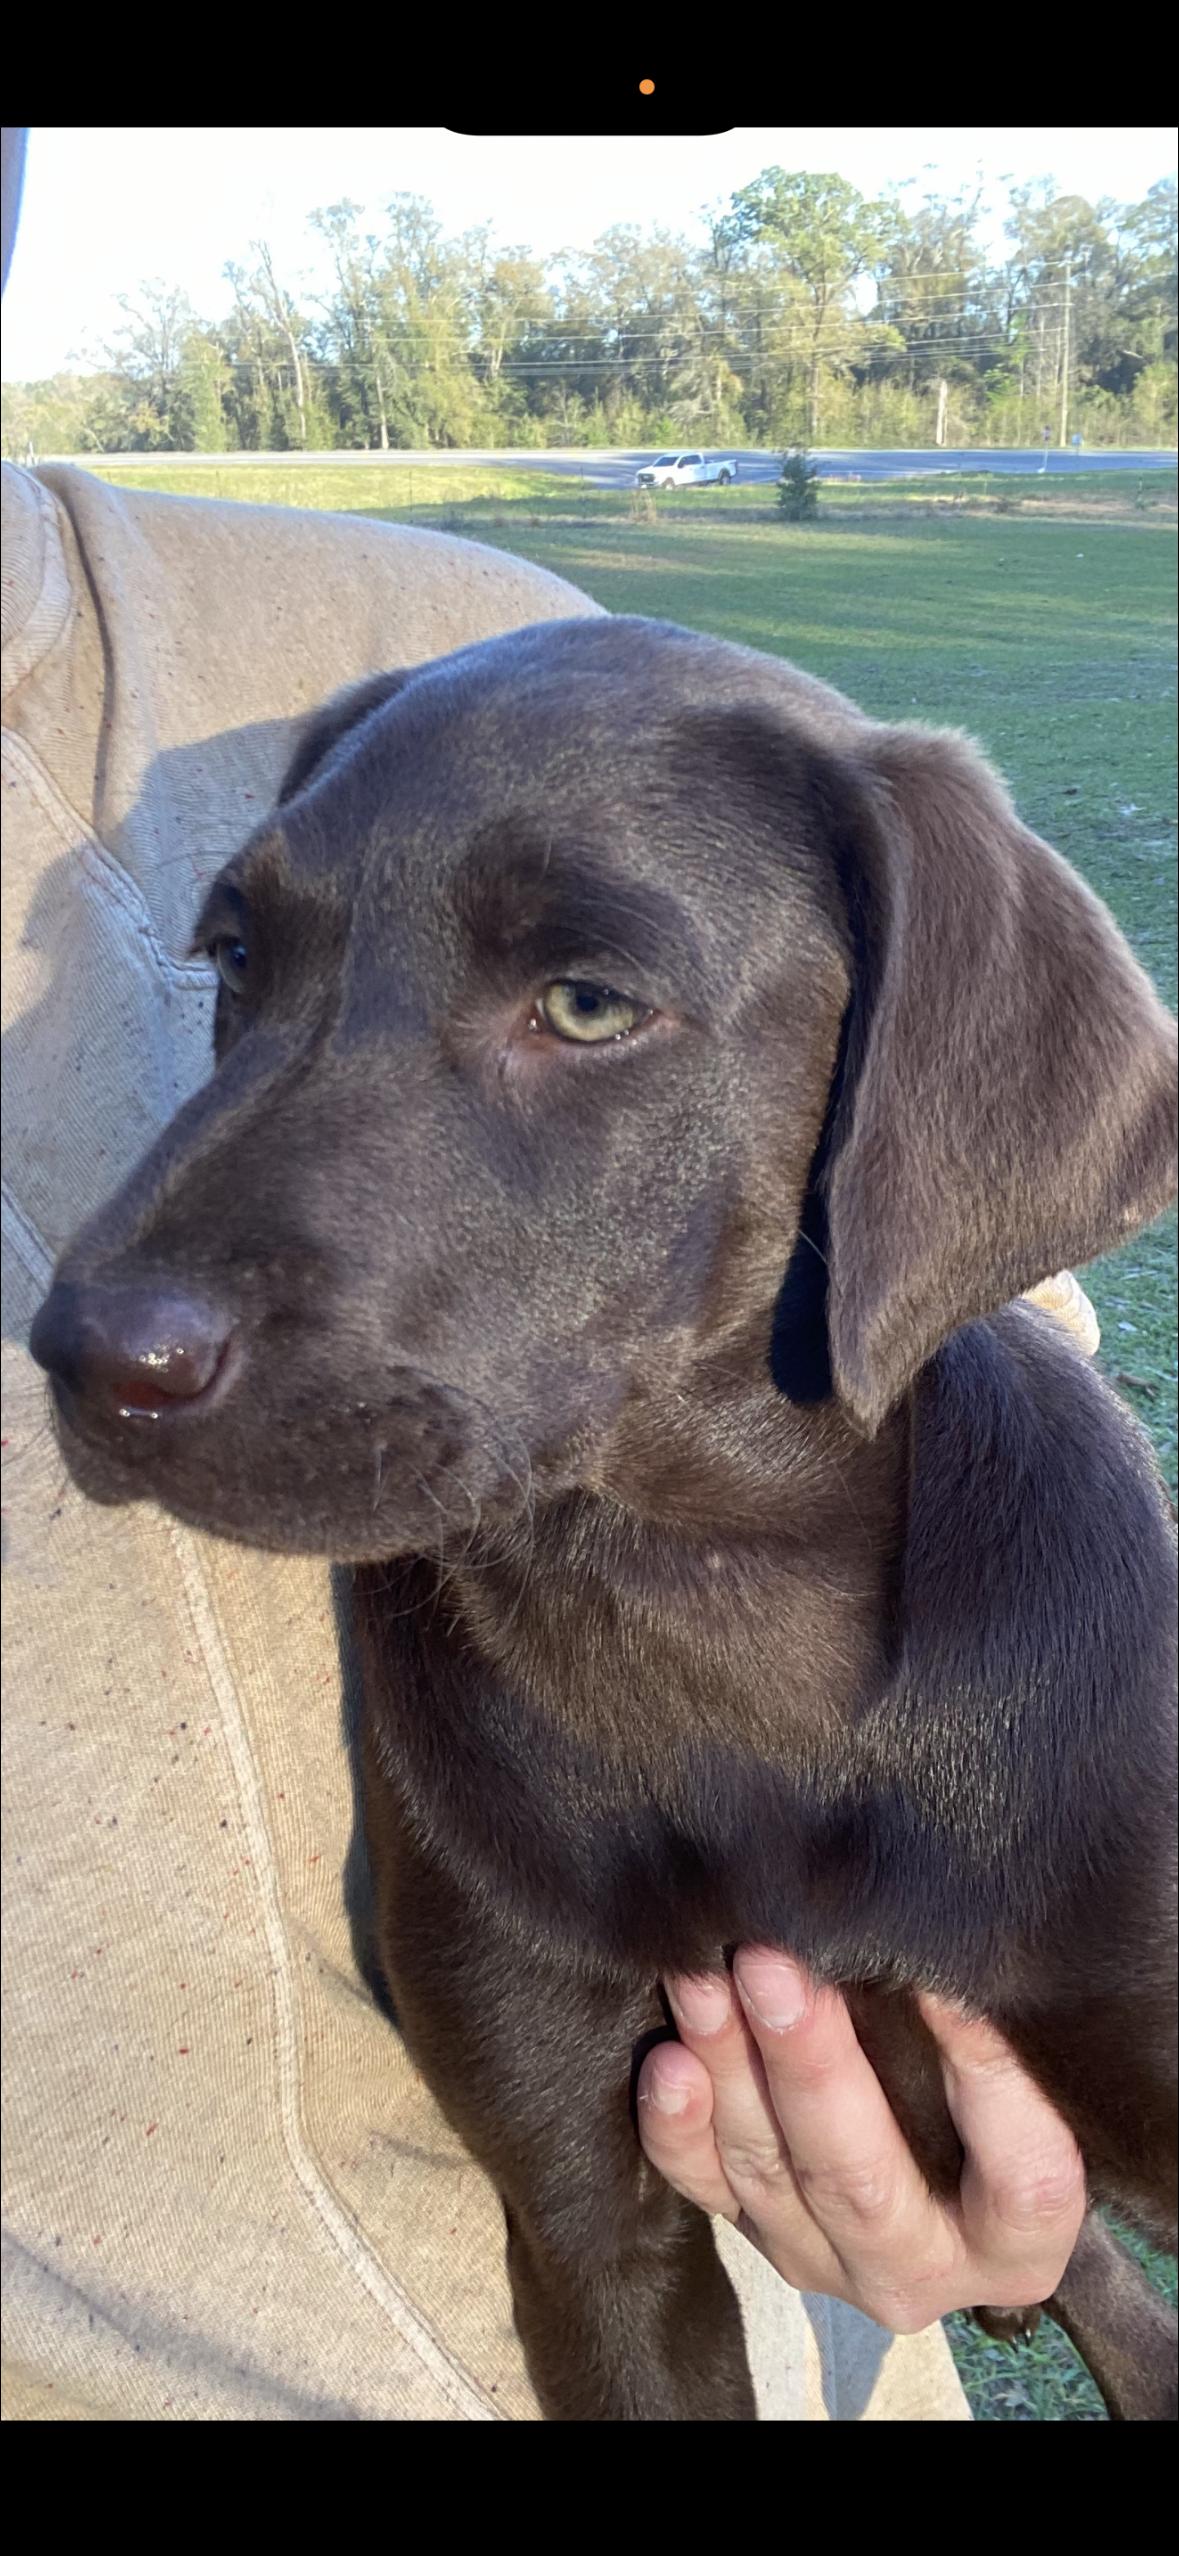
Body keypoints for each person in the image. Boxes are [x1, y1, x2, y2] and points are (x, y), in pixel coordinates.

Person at [2, 126, 1089, 2423]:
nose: (116, 1307)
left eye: (581, 1002)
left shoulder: (426, 661)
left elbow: (958, 1245)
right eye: (254, 974)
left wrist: (1020, 2217)